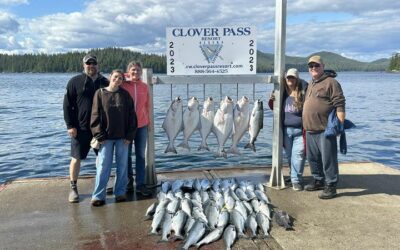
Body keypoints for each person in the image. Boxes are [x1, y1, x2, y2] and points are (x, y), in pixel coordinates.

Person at [63, 54, 109, 203]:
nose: (91, 66)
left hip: (99, 129)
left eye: (94, 63)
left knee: (102, 159)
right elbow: (67, 105)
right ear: (83, 65)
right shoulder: (74, 81)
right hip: (80, 129)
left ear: (98, 65)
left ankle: (100, 184)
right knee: (76, 159)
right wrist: (70, 125)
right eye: (88, 63)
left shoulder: (105, 82)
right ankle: (73, 188)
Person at [90, 70, 137, 206]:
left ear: (122, 81)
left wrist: (130, 135)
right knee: (103, 166)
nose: (117, 80)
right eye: (115, 77)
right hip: (105, 138)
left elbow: (132, 117)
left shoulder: (125, 95)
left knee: (122, 166)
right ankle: (98, 196)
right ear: (110, 77)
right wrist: (99, 135)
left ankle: (120, 192)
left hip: (123, 138)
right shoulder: (99, 93)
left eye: (120, 78)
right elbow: (94, 116)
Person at [303, 55, 346, 199]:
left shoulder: (331, 82)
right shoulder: (311, 83)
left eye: (316, 65)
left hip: (325, 130)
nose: (313, 68)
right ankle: (318, 180)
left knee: (328, 159)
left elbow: (339, 104)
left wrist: (339, 126)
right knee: (312, 158)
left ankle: (331, 185)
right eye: (311, 66)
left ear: (323, 66)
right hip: (310, 129)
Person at [268, 68, 308, 191]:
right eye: (288, 77)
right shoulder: (282, 92)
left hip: (299, 131)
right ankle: (293, 176)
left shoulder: (303, 92)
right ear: (285, 79)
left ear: (297, 79)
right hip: (285, 131)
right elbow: (272, 107)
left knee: (299, 156)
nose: (290, 79)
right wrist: (272, 99)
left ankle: (296, 180)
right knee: (290, 156)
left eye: (293, 77)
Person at [121, 61, 151, 196]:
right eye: (132, 70)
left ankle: (140, 184)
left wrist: (149, 122)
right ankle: (128, 182)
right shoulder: (123, 85)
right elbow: (112, 78)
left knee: (140, 155)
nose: (135, 72)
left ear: (141, 72)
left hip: (141, 125)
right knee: (126, 156)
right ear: (128, 72)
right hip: (126, 127)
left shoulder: (144, 87)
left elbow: (147, 105)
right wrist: (125, 76)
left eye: (138, 70)